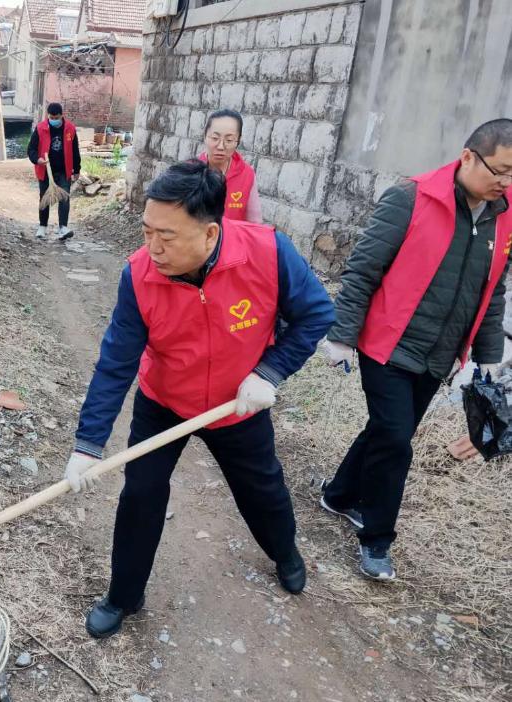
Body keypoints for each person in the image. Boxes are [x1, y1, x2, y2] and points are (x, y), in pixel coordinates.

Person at [64, 161, 335, 639]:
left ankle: (285, 551)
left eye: (167, 236)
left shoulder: (268, 252)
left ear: (211, 235)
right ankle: (124, 594)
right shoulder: (140, 275)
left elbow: (316, 314)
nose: (154, 248)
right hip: (165, 399)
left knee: (263, 489)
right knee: (141, 494)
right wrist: (87, 445)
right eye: (147, 231)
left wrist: (269, 372)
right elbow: (115, 363)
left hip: (237, 404)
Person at [321, 119, 512, 581]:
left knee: (386, 430)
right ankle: (377, 539)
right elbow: (363, 269)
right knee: (394, 439)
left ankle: (340, 495)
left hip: (439, 355)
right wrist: (343, 335)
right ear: (468, 156)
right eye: (500, 171)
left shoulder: (503, 216)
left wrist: (489, 356)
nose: (505, 184)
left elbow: (493, 290)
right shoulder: (411, 198)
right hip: (388, 344)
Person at [193, 109, 262, 223]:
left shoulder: (247, 174)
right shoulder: (190, 171)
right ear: (205, 136)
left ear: (238, 141)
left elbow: (255, 223)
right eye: (215, 138)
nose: (220, 146)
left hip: (232, 239)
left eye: (229, 140)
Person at [27, 102, 80, 240]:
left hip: (64, 170)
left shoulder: (70, 129)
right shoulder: (40, 128)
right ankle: (42, 226)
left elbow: (75, 151)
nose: (53, 120)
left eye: (56, 117)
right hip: (45, 170)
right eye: (51, 117)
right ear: (48, 116)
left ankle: (63, 228)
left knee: (64, 198)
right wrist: (37, 159)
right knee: (44, 198)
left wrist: (77, 169)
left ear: (62, 115)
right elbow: (31, 149)